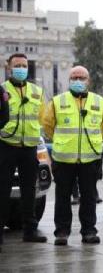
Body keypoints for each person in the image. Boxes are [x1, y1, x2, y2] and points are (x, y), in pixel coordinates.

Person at [42, 66, 103, 245]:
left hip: (90, 158)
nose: (78, 81)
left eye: (82, 77)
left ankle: (89, 231)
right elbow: (48, 126)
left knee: (89, 197)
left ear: (88, 81)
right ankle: (62, 233)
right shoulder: (57, 101)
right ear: (69, 80)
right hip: (64, 158)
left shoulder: (100, 102)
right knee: (62, 197)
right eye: (74, 77)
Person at [0, 53, 47, 253]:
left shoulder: (37, 91)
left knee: (30, 191)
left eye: (24, 65)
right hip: (6, 145)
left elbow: (43, 118)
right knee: (2, 191)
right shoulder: (2, 90)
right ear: (9, 68)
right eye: (17, 65)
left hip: (29, 147)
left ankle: (30, 230)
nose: (21, 68)